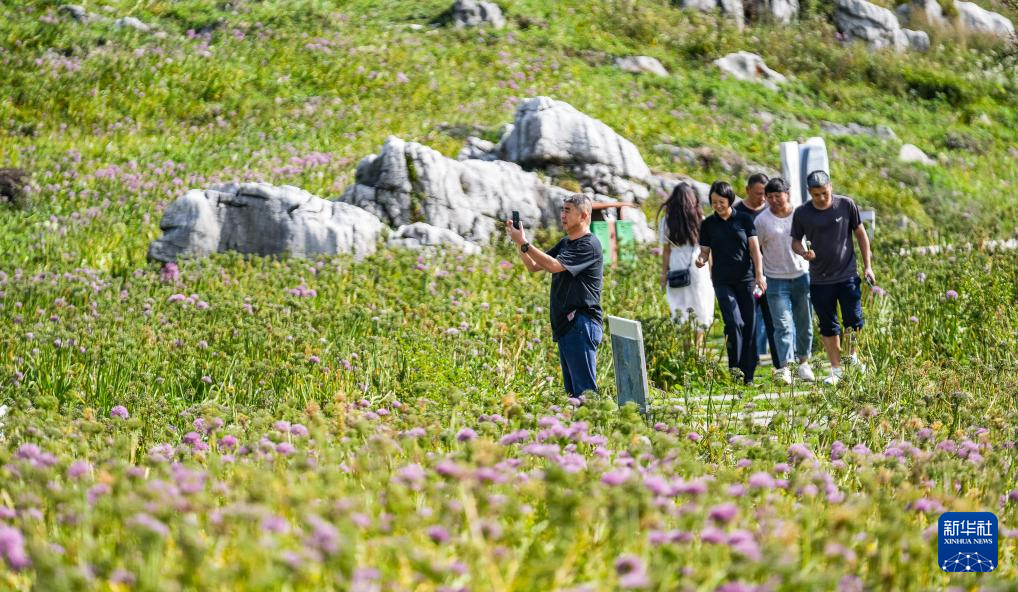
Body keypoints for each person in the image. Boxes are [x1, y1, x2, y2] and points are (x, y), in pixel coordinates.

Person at [506, 194, 603, 397]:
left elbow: (552, 266)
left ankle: (594, 428)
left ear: (583, 215)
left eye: (568, 210)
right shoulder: (567, 242)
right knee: (573, 395)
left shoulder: (589, 245)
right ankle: (579, 429)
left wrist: (524, 243)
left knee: (585, 395)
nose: (562, 215)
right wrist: (519, 242)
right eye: (562, 210)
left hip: (581, 324)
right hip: (567, 326)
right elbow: (534, 266)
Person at [791, 171, 875, 385]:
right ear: (809, 192)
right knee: (828, 327)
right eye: (816, 194)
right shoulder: (802, 213)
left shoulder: (846, 205)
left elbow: (861, 235)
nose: (821, 197)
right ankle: (836, 370)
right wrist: (803, 253)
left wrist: (868, 267)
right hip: (820, 279)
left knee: (853, 322)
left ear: (831, 186)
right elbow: (795, 242)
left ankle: (851, 357)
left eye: (825, 192)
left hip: (847, 275)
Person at [696, 181, 767, 385]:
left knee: (749, 325)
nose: (717, 205)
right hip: (722, 281)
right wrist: (701, 260)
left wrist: (759, 275)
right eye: (714, 202)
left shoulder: (744, 220)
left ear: (730, 200)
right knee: (734, 322)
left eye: (721, 202)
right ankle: (735, 370)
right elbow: (705, 251)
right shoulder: (708, 224)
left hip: (746, 279)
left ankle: (749, 375)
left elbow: (755, 251)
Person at [756, 177, 815, 384]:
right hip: (775, 278)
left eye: (777, 196)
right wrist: (759, 274)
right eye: (769, 197)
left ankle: (804, 363)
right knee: (782, 325)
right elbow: (757, 249)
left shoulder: (800, 215)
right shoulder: (762, 221)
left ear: (787, 194)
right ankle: (785, 367)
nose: (774, 200)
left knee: (804, 322)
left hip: (801, 275)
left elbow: (811, 237)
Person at [658, 182, 714, 342]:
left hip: (676, 265)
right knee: (700, 304)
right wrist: (710, 270)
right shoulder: (700, 219)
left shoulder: (666, 221)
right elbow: (707, 248)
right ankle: (698, 346)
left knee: (679, 306)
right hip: (697, 265)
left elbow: (666, 250)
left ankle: (685, 346)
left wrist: (664, 273)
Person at [734, 173, 779, 371]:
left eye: (765, 194)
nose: (762, 198)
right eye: (759, 194)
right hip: (746, 277)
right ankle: (749, 368)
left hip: (772, 274)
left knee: (774, 322)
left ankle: (781, 366)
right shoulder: (736, 212)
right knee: (749, 323)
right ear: (747, 190)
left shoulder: (772, 211)